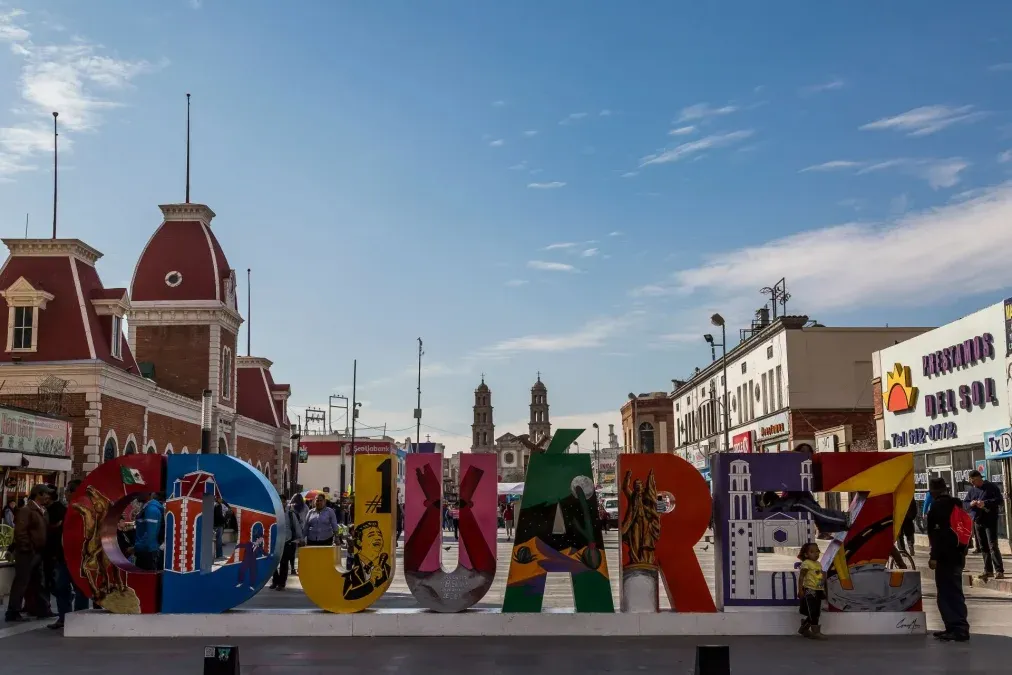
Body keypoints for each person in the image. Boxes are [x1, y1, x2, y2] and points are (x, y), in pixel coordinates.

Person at [928, 477, 970, 642]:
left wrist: (934, 557)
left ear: (933, 492)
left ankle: (958, 628)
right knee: (955, 591)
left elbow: (938, 535)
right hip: (958, 555)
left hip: (945, 558)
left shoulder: (938, 508)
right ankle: (954, 627)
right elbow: (965, 528)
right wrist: (964, 551)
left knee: (947, 593)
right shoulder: (957, 504)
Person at [5, 484, 53, 622]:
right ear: (38, 494)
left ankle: (42, 609)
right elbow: (20, 532)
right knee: (22, 582)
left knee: (38, 581)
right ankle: (13, 611)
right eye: (46, 494)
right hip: (27, 553)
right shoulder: (27, 511)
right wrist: (27, 548)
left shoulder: (41, 510)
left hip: (37, 552)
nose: (48, 497)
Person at [963, 470, 1004, 581]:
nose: (972, 483)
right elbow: (965, 503)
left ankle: (999, 570)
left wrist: (985, 503)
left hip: (990, 520)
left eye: (973, 480)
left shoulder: (991, 487)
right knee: (983, 546)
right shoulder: (972, 490)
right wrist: (971, 504)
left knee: (992, 545)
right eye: (971, 481)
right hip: (978, 520)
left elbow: (999, 500)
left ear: (978, 478)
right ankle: (988, 570)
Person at [270, 498, 305, 590]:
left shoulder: (290, 514)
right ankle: (275, 581)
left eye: (283, 501)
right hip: (274, 542)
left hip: (287, 541)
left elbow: (297, 526)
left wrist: (300, 539)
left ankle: (281, 584)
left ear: (286, 503)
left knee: (284, 563)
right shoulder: (272, 513)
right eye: (280, 501)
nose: (282, 503)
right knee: (272, 563)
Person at [797, 541, 827, 640]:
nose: (816, 553)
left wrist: (823, 579)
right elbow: (801, 577)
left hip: (818, 589)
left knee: (816, 611)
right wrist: (800, 589)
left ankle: (804, 628)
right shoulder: (806, 563)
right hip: (810, 590)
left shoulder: (818, 564)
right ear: (806, 554)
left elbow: (819, 576)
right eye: (812, 552)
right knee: (813, 611)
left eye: (817, 551)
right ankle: (815, 632)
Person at [133, 492, 164, 571]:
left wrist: (136, 547)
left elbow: (150, 535)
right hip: (144, 551)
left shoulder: (151, 510)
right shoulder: (146, 508)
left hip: (148, 553)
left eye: (139, 491)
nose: (136, 494)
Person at [213, 495, 231, 560]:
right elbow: (219, 516)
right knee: (219, 539)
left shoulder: (214, 504)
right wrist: (225, 520)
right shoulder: (218, 505)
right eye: (220, 498)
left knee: (215, 539)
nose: (222, 500)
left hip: (214, 524)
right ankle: (219, 555)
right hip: (218, 524)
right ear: (218, 499)